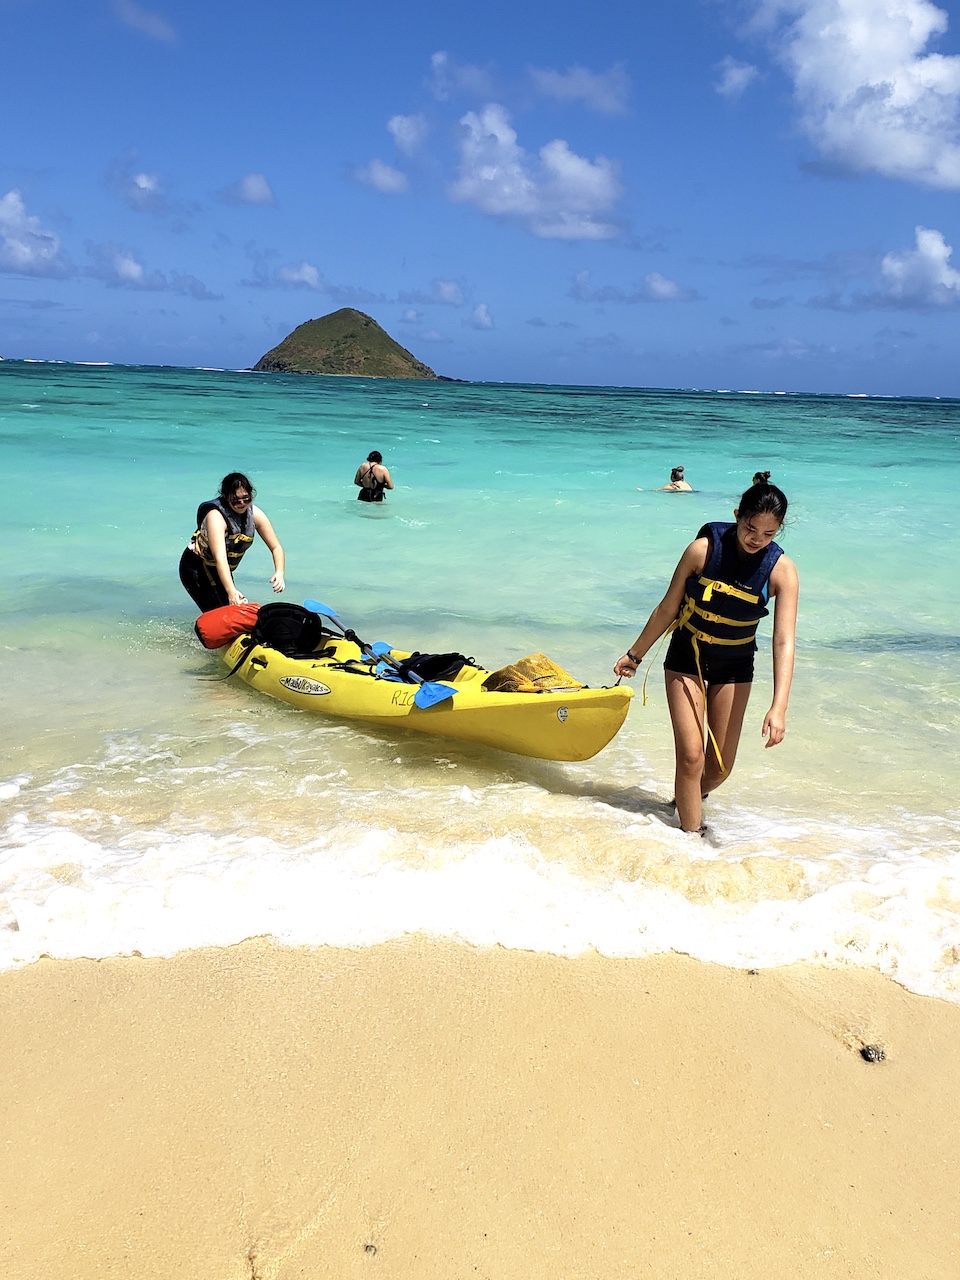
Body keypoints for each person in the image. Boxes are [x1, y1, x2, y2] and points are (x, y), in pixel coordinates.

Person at [614, 475, 799, 835]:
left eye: (768, 534)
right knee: (691, 756)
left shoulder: (782, 572)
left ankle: (684, 803)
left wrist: (779, 706)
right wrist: (634, 655)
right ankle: (691, 841)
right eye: (750, 528)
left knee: (718, 769)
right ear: (736, 515)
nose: (756, 539)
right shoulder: (702, 550)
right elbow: (667, 608)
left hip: (735, 665)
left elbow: (783, 641)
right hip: (687, 657)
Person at [179, 471, 285, 612]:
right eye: (235, 499)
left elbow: (276, 547)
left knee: (233, 608)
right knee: (219, 612)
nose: (241, 503)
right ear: (226, 497)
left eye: (246, 498)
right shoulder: (215, 517)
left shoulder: (255, 514)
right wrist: (230, 590)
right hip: (196, 567)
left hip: (219, 570)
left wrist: (279, 573)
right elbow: (220, 557)